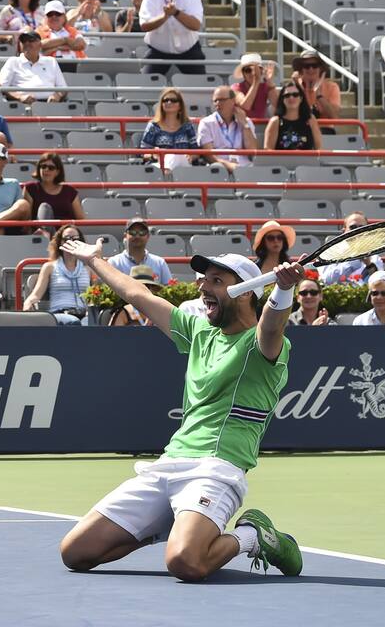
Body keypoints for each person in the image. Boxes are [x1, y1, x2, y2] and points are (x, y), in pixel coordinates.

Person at [58, 240, 305, 582]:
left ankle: (254, 537)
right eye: (204, 279)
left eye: (216, 280)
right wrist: (96, 261)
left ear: (246, 292)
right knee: (76, 552)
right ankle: (170, 524)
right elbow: (139, 296)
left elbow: (273, 325)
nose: (202, 285)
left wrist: (284, 289)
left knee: (186, 562)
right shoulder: (198, 332)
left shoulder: (262, 344)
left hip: (217, 469)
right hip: (168, 465)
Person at [139, 0, 205, 76]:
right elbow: (144, 26)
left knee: (199, 86)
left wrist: (176, 13)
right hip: (158, 50)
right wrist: (165, 16)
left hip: (188, 50)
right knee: (146, 83)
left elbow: (196, 25)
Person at [21, 223, 92, 323]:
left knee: (89, 322)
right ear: (60, 242)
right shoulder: (49, 267)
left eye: (76, 239)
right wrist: (28, 303)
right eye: (67, 238)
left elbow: (93, 297)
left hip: (83, 314)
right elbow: (36, 294)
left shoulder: (88, 269)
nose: (71, 242)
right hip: (59, 313)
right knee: (73, 321)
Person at [198, 86, 257, 173]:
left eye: (222, 100)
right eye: (215, 101)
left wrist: (245, 125)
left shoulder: (246, 121)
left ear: (233, 100)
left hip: (245, 167)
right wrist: (230, 166)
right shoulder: (206, 123)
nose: (218, 103)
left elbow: (252, 151)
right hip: (220, 168)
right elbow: (209, 155)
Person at [318, 212, 385, 285]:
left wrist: (369, 265)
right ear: (344, 231)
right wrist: (355, 260)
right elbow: (326, 280)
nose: (357, 231)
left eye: (361, 228)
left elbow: (380, 284)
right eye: (353, 227)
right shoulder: (329, 253)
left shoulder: (374, 257)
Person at [1, 31, 66, 104]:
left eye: (31, 40)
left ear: (40, 44)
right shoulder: (13, 61)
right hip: (22, 105)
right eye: (24, 41)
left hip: (50, 104)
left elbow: (62, 88)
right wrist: (19, 97)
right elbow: (2, 87)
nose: (27, 43)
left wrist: (57, 96)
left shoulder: (51, 61)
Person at [141, 87, 199, 169]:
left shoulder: (187, 126)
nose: (169, 102)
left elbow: (196, 151)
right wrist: (153, 155)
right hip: (159, 165)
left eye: (173, 100)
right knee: (172, 157)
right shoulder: (153, 126)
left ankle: (169, 173)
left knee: (177, 157)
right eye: (165, 100)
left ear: (180, 105)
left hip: (183, 167)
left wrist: (191, 157)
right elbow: (143, 152)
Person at [108, 217, 174, 283]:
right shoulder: (114, 262)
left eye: (142, 232)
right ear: (125, 236)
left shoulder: (159, 263)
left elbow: (169, 289)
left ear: (148, 236)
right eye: (133, 232)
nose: (137, 236)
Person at [24, 151, 85, 222]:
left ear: (57, 172)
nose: (46, 170)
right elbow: (27, 220)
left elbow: (81, 220)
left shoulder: (69, 191)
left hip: (65, 230)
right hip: (41, 230)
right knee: (44, 207)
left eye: (51, 168)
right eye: (43, 166)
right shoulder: (31, 188)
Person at [263, 81, 323, 152]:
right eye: (287, 95)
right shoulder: (275, 121)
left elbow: (319, 148)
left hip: (306, 162)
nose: (291, 98)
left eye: (295, 95)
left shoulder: (310, 119)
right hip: (281, 162)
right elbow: (268, 150)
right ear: (282, 99)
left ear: (301, 98)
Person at [289, 50, 341, 121]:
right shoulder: (294, 87)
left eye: (314, 65)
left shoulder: (332, 87)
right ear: (301, 69)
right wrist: (299, 89)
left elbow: (334, 116)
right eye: (306, 66)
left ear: (320, 69)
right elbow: (289, 114)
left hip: (324, 129)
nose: (311, 69)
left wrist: (319, 96)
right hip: (301, 128)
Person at [232, 52, 275, 118]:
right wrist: (256, 81)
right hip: (241, 126)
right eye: (248, 70)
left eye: (257, 70)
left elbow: (277, 105)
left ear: (261, 71)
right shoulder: (236, 88)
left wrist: (270, 83)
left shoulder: (265, 87)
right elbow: (246, 106)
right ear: (243, 73)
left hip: (261, 126)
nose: (253, 73)